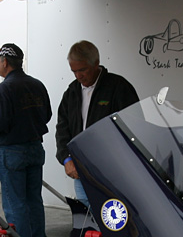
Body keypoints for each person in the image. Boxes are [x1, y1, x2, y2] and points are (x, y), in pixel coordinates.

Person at [0, 43, 51, 237]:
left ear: (5, 62)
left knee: (16, 204)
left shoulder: (5, 88)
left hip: (13, 151)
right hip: (35, 148)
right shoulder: (37, 84)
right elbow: (47, 115)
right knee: (34, 200)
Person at [55, 40, 139, 211]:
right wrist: (66, 158)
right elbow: (62, 129)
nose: (78, 76)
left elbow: (134, 126)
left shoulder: (118, 87)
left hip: (112, 171)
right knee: (88, 212)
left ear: (96, 63)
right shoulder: (71, 92)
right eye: (74, 71)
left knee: (113, 214)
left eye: (82, 70)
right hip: (81, 168)